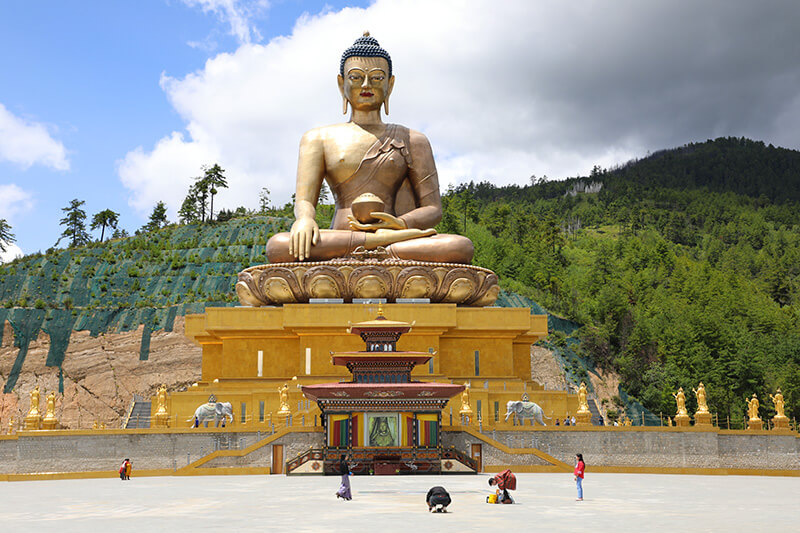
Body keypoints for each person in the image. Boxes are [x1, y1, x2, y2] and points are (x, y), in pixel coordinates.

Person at [265, 33, 474, 264]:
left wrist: (401, 224)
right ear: (341, 84)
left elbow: (433, 209)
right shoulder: (318, 138)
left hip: (395, 237)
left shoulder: (413, 140)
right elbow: (304, 201)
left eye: (376, 78)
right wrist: (305, 219)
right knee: (279, 245)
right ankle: (376, 245)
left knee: (459, 247)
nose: (366, 85)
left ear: (390, 85)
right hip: (343, 235)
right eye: (356, 77)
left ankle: (375, 245)